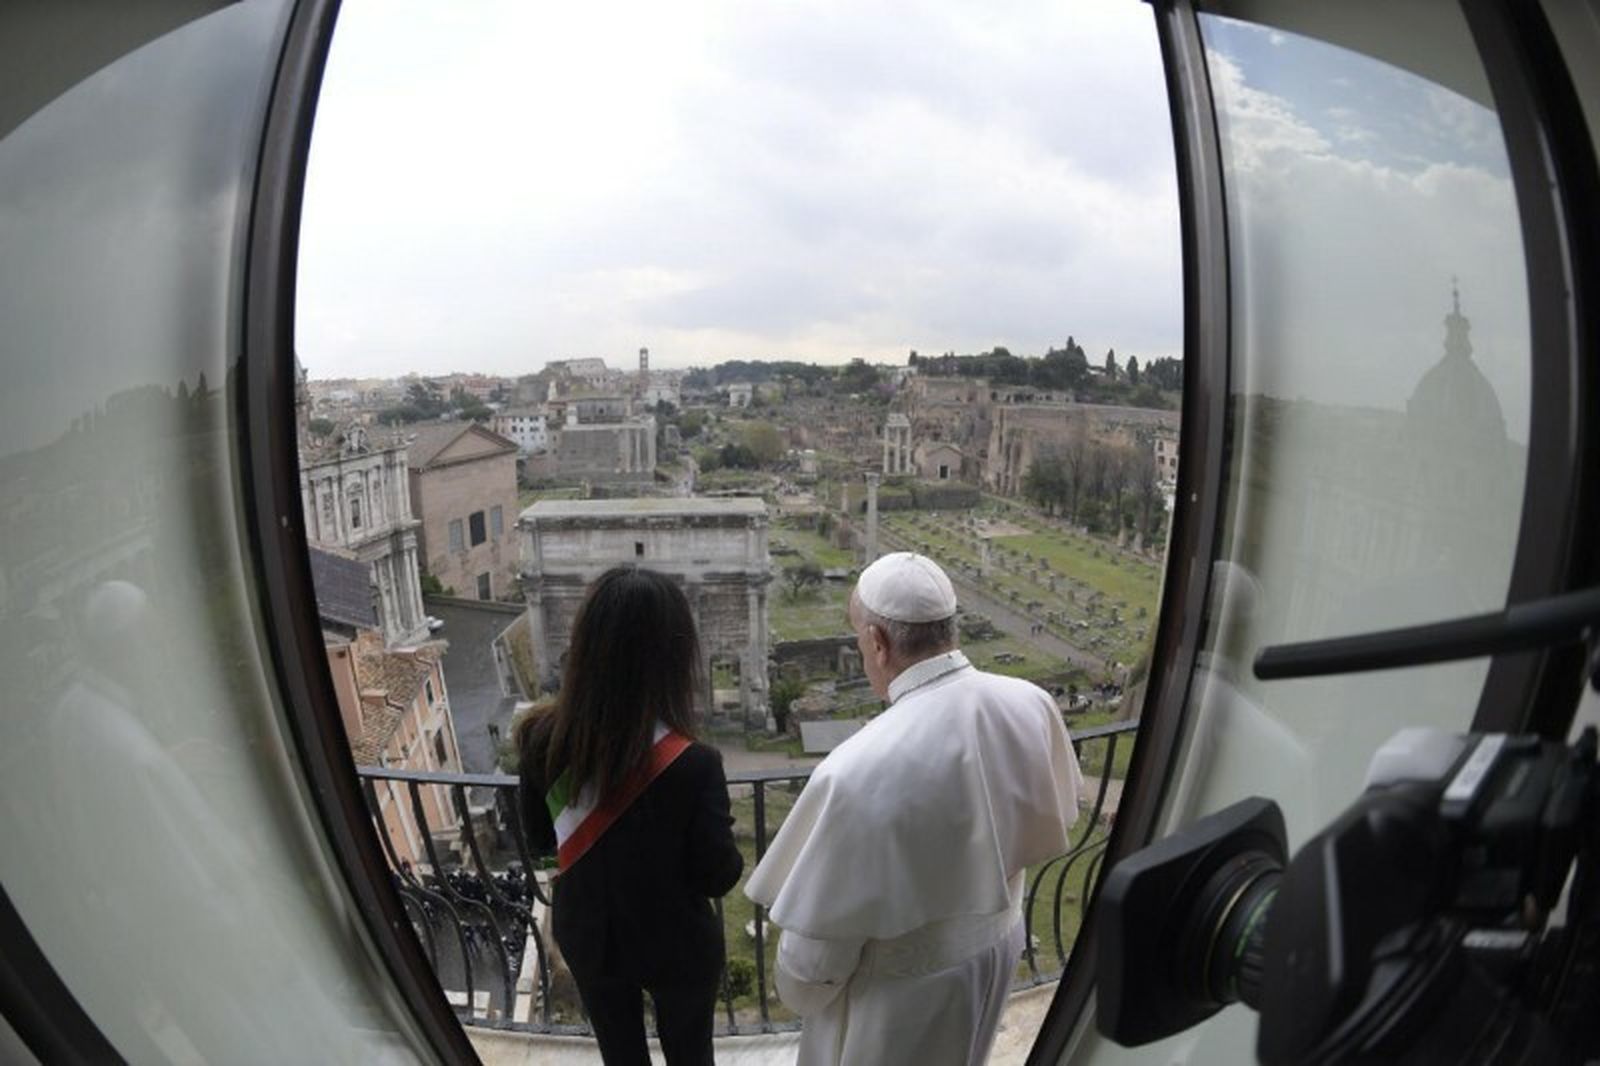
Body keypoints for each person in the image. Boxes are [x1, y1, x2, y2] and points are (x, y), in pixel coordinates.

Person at [746, 552, 1083, 1065]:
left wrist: (798, 988)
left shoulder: (855, 769)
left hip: (900, 997)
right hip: (996, 952)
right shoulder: (1031, 702)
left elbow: (813, 964)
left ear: (877, 644)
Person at [516, 567, 744, 1066]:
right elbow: (718, 875)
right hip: (676, 938)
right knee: (691, 1058)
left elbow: (536, 837)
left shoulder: (538, 739)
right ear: (673, 658)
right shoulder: (696, 763)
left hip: (589, 930)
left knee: (620, 1057)